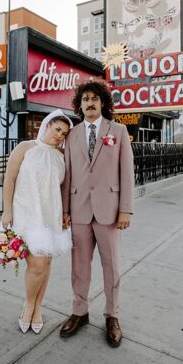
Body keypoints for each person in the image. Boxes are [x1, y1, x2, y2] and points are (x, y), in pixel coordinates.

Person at [60, 80, 135, 348]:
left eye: (95, 98)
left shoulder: (119, 131)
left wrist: (125, 208)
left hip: (110, 211)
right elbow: (67, 175)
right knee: (79, 267)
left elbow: (127, 173)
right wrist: (65, 209)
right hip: (79, 211)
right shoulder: (72, 135)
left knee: (111, 267)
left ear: (103, 102)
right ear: (79, 105)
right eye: (85, 99)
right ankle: (79, 311)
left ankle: (112, 315)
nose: (90, 103)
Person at [1, 110, 73, 334]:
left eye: (65, 133)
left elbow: (64, 188)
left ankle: (38, 307)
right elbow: (9, 179)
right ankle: (29, 304)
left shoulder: (62, 156)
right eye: (57, 129)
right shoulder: (26, 147)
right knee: (37, 263)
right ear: (47, 125)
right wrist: (6, 211)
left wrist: (65, 213)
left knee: (47, 262)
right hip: (26, 213)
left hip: (51, 214)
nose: (60, 135)